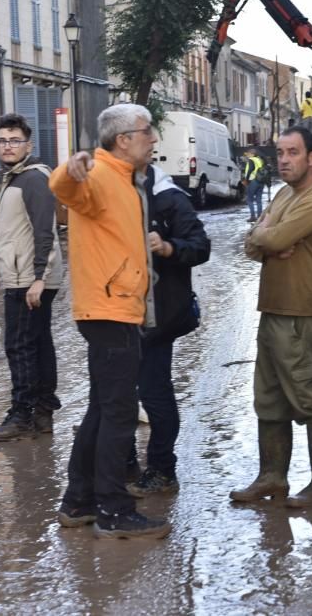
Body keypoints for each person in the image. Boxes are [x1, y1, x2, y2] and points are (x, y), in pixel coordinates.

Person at [50, 104, 169, 539]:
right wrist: (71, 167)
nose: (153, 138)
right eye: (146, 131)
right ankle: (113, 510)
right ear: (123, 140)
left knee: (103, 412)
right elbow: (63, 189)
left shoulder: (126, 179)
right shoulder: (98, 175)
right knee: (118, 416)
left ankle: (78, 502)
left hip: (115, 307)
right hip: (107, 309)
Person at [229, 126, 312, 508]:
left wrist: (268, 236)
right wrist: (265, 236)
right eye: (280, 152)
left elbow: (270, 240)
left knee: (310, 397)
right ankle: (272, 477)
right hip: (273, 310)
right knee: (269, 399)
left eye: (293, 152)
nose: (283, 160)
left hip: (304, 314)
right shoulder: (282, 194)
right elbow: (252, 244)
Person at [126, 163, 210, 497]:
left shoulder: (169, 197)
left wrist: (168, 248)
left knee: (153, 391)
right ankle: (125, 461)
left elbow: (200, 245)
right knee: (118, 393)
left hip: (158, 317)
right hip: (122, 313)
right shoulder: (117, 190)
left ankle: (162, 469)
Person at [0, 114, 64, 441]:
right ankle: (42, 412)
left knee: (19, 346)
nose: (8, 146)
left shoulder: (31, 179)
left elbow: (46, 231)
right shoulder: (14, 177)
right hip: (25, 275)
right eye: (3, 140)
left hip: (28, 279)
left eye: (15, 141)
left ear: (28, 145)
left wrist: (39, 278)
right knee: (38, 343)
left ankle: (23, 413)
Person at [242, 148, 267, 223]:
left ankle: (253, 216)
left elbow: (250, 169)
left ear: (252, 154)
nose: (247, 156)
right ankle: (259, 216)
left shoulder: (251, 160)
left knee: (249, 199)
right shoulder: (260, 160)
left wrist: (246, 179)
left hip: (253, 180)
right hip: (261, 181)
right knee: (258, 199)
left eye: (248, 154)